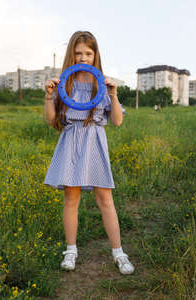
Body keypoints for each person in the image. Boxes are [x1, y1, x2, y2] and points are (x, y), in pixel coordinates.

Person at [43, 31, 134, 275]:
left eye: (88, 53)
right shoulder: (66, 83)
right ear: (71, 54)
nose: (83, 58)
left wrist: (113, 95)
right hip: (71, 141)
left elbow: (117, 121)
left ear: (95, 56)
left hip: (94, 142)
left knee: (105, 199)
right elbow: (51, 120)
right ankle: (70, 250)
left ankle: (119, 252)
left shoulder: (100, 83)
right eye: (78, 53)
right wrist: (50, 96)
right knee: (71, 199)